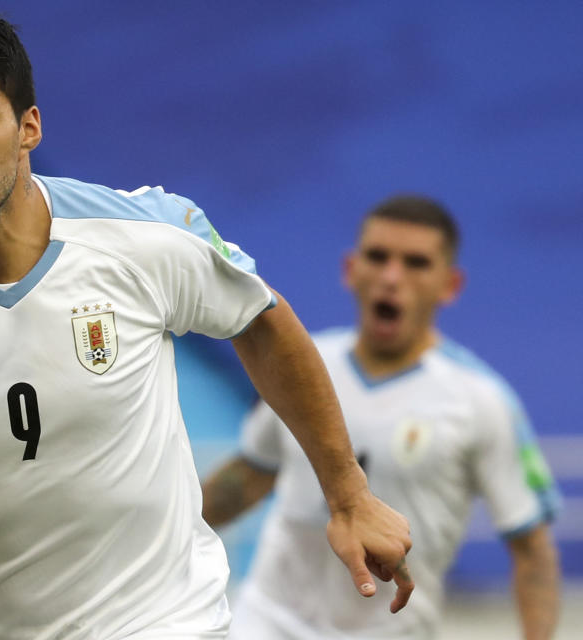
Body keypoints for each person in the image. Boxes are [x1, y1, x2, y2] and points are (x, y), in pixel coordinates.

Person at [0, 10, 413, 639]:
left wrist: (347, 493)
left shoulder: (145, 235)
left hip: (165, 623)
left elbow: (263, 321)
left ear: (28, 127)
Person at [202, 195, 562, 639]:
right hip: (269, 622)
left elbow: (531, 548)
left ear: (449, 285)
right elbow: (250, 475)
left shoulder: (481, 400)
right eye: (378, 257)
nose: (392, 277)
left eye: (416, 263)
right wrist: (166, 527)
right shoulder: (301, 364)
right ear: (351, 270)